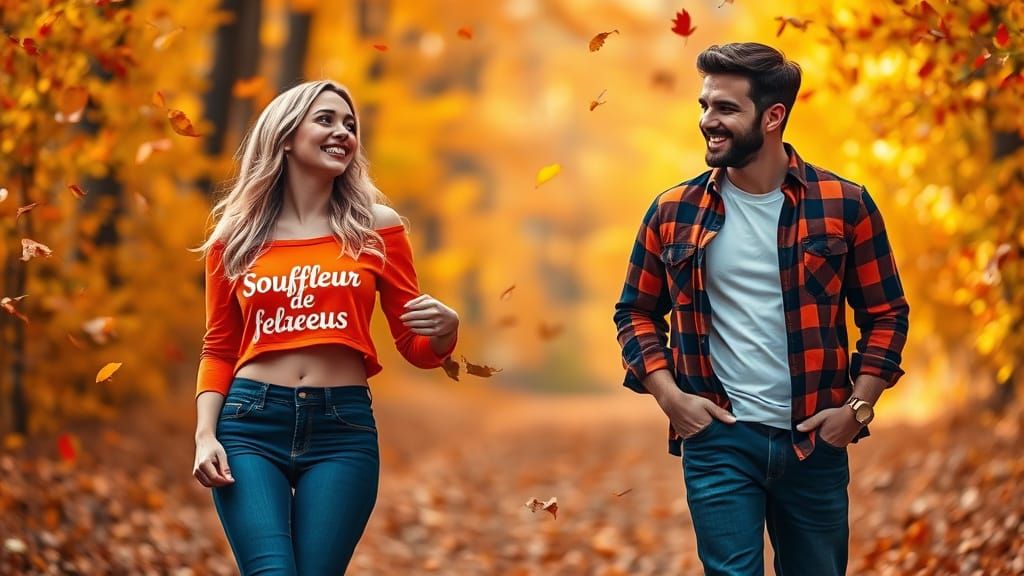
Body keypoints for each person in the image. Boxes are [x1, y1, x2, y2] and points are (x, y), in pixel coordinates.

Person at [613, 42, 909, 575]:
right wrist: (669, 396)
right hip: (719, 440)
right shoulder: (673, 211)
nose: (708, 121)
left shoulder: (845, 205)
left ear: (773, 117)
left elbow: (886, 314)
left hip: (814, 443)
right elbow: (634, 310)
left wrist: (858, 410)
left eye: (725, 109)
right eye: (704, 106)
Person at [191, 80, 459, 575]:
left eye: (350, 125)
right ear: (286, 136)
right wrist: (206, 434)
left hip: (343, 430)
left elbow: (415, 347)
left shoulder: (377, 226)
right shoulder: (235, 237)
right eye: (327, 120)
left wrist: (446, 330)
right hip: (249, 425)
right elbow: (219, 347)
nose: (343, 132)